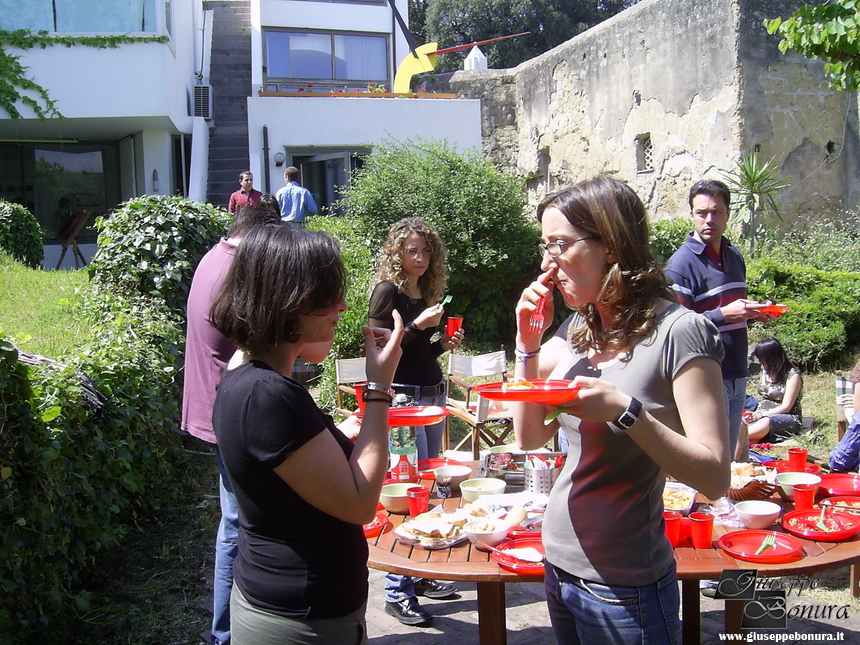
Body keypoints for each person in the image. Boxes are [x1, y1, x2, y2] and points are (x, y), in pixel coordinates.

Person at [512, 176, 730, 644]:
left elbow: (715, 477)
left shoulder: (680, 330)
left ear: (610, 245)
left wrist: (626, 411)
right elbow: (528, 438)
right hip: (559, 564)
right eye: (543, 245)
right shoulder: (581, 327)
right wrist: (526, 346)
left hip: (626, 584)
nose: (547, 262)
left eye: (560, 244)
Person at [210, 224, 403, 644]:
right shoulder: (269, 395)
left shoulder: (245, 371)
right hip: (301, 620)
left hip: (285, 604)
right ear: (288, 300)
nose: (341, 306)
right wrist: (378, 389)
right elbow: (359, 504)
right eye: (327, 296)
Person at [182, 205, 282, 645]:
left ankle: (227, 631)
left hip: (214, 405)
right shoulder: (238, 270)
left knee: (234, 522)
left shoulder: (212, 256)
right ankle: (227, 633)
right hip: (233, 412)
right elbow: (254, 342)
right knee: (240, 524)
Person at [368, 218, 463, 625]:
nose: (420, 258)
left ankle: (419, 573)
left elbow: (420, 353)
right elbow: (376, 348)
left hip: (432, 393)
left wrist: (442, 343)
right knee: (406, 490)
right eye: (411, 250)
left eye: (425, 250)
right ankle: (396, 591)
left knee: (430, 485)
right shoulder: (387, 291)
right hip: (403, 398)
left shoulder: (425, 290)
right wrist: (414, 326)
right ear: (397, 252)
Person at [665, 179, 772, 460]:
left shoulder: (734, 256)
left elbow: (734, 314)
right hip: (706, 374)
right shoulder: (680, 265)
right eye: (702, 213)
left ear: (728, 213)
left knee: (729, 455)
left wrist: (755, 314)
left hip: (738, 368)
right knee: (711, 455)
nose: (709, 219)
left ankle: (722, 503)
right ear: (691, 215)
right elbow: (674, 328)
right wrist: (723, 315)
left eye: (717, 212)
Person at [742, 337, 803, 444]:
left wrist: (760, 415)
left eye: (762, 359)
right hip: (763, 407)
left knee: (766, 421)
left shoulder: (793, 375)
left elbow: (786, 407)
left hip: (786, 416)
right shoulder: (765, 370)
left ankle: (736, 438)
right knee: (738, 399)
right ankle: (745, 435)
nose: (760, 362)